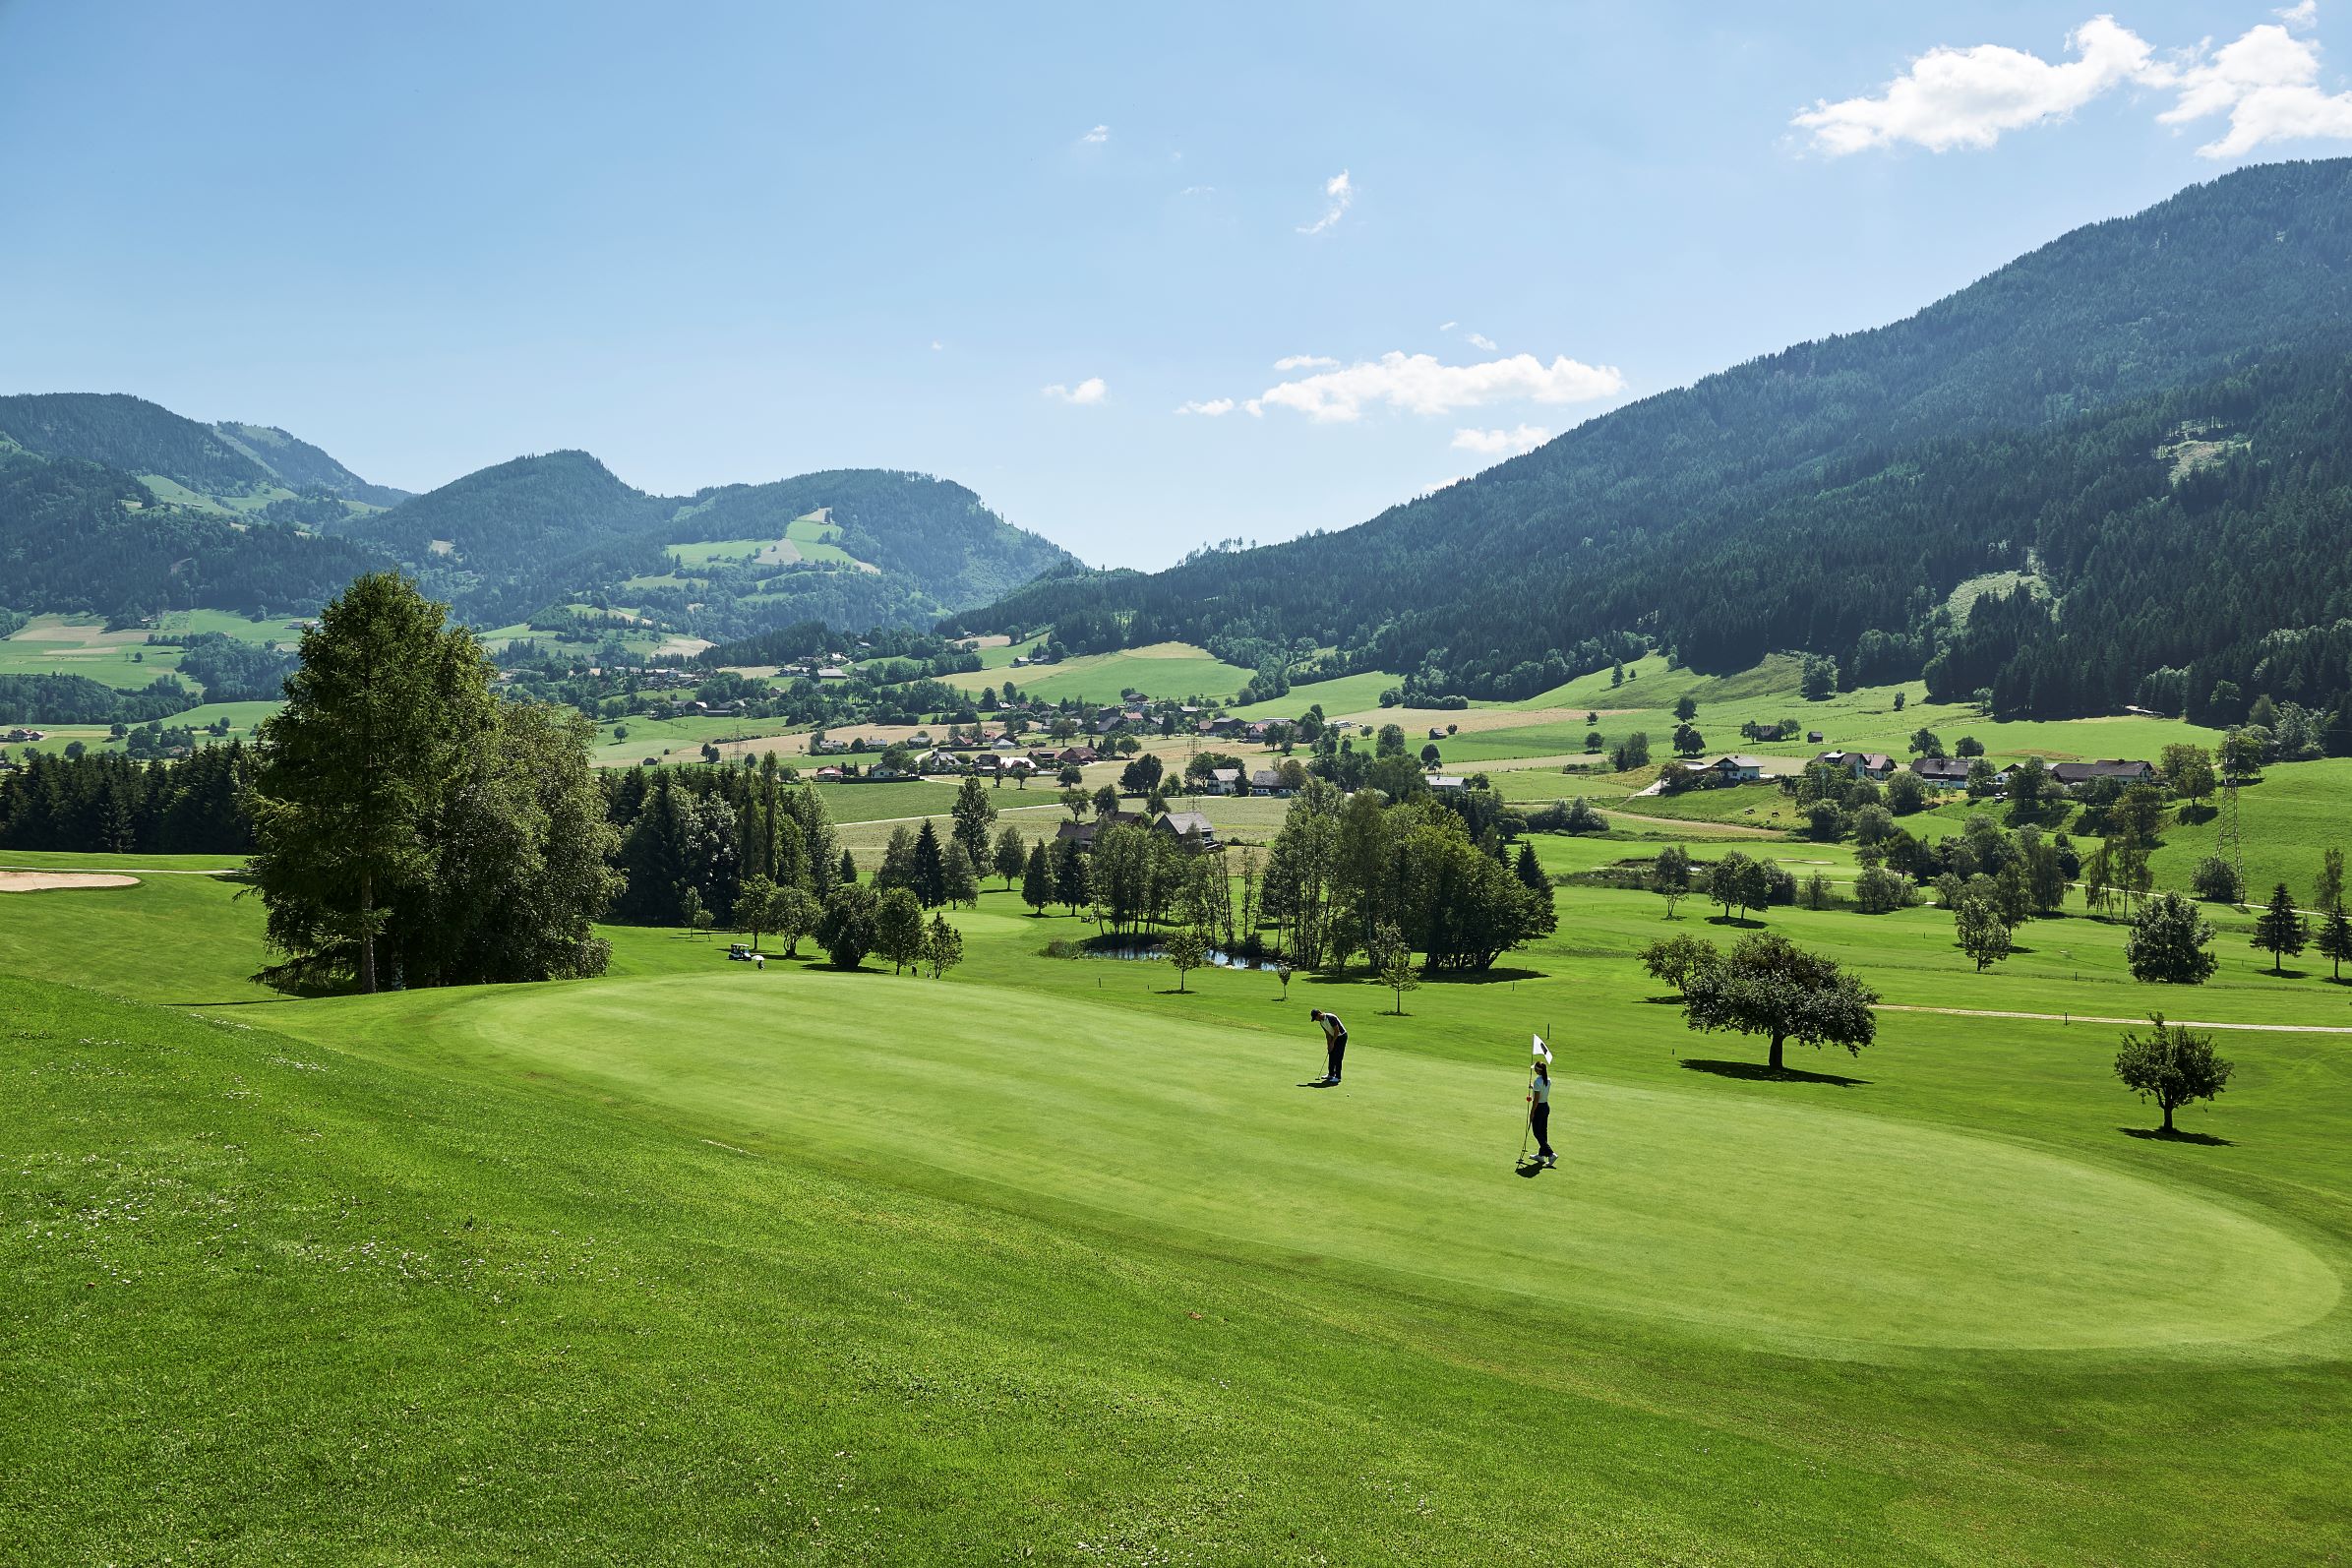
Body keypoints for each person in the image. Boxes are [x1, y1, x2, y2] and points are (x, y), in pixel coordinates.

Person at [1527, 1058, 1554, 1167]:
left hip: (1539, 1108)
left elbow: (1536, 1100)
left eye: (1535, 1069)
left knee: (1537, 1132)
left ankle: (1551, 1154)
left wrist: (1532, 1112)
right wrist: (1533, 1088)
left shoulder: (1537, 1081)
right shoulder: (1548, 1080)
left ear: (1538, 1071)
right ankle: (1541, 1155)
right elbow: (1541, 1091)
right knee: (1543, 1131)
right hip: (1546, 1107)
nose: (1534, 1071)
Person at [1309, 1007, 1347, 1085]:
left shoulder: (1330, 1018)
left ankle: (1338, 1077)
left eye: (1315, 1018)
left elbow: (1337, 1031)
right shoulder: (1321, 1022)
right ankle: (1331, 1074)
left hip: (1341, 1036)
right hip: (1333, 1036)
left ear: (1319, 1014)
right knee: (1331, 1054)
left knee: (1338, 1056)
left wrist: (1333, 1043)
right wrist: (1329, 1045)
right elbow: (1328, 1034)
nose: (1316, 1020)